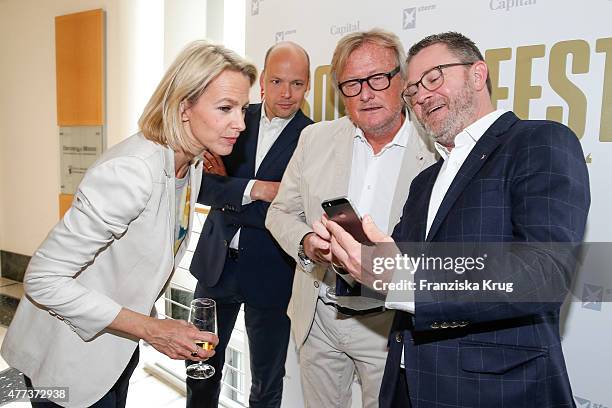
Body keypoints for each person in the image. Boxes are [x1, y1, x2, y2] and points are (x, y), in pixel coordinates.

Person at [323, 32, 590, 408]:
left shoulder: (538, 142)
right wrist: (353, 256)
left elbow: (544, 273)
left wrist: (402, 279)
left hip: (494, 390)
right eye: (412, 91)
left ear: (478, 74)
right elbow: (397, 271)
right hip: (406, 382)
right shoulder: (425, 181)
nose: (421, 96)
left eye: (433, 78)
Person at [0, 40, 257, 408]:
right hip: (67, 359)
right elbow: (42, 278)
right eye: (225, 109)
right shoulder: (132, 171)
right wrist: (153, 330)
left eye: (243, 109)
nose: (240, 124)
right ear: (184, 106)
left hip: (115, 352)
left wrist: (155, 327)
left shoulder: (193, 163)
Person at [266, 29, 436, 408]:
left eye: (378, 78)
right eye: (352, 84)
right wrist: (308, 244)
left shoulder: (437, 150)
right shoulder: (315, 139)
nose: (366, 93)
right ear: (339, 92)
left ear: (403, 80)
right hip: (320, 315)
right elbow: (279, 211)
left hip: (390, 325)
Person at [187, 41, 313, 408]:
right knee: (201, 367)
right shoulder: (232, 118)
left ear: (308, 86)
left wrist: (232, 193)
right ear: (262, 81)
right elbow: (202, 186)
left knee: (267, 382)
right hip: (215, 267)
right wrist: (260, 191)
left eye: (297, 83)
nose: (286, 93)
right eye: (276, 81)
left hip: (273, 273)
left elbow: (297, 209)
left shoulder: (314, 137)